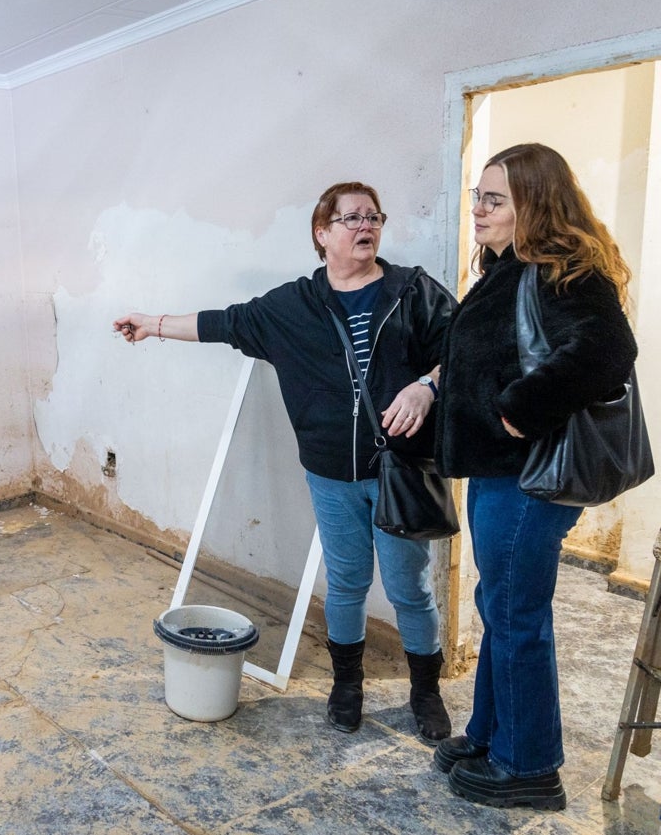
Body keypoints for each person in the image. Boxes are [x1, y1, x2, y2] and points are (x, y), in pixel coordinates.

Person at [113, 182, 459, 743]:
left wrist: (426, 387)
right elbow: (224, 323)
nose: (365, 225)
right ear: (322, 234)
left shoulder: (413, 291)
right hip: (329, 472)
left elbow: (462, 350)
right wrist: (152, 324)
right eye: (351, 218)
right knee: (346, 583)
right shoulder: (293, 305)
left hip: (402, 470)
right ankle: (347, 685)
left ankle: (426, 693)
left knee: (409, 588)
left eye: (373, 216)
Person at [433, 143, 638, 811]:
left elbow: (608, 348)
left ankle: (529, 765)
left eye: (495, 199)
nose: (478, 209)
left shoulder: (561, 269)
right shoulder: (510, 269)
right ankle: (490, 735)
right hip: (501, 473)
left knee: (517, 613)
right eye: (477, 196)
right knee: (502, 606)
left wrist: (520, 411)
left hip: (529, 477)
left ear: (535, 204)